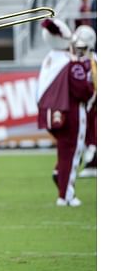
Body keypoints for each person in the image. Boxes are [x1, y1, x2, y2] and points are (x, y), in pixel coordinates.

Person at [36, 19, 94, 206]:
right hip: (73, 113)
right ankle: (66, 195)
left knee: (64, 153)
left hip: (52, 113)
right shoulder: (72, 63)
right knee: (72, 153)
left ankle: (61, 180)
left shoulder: (49, 59)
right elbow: (83, 91)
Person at [70, 25, 96, 178]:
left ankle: (93, 161)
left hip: (92, 102)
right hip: (86, 102)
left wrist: (91, 102)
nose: (79, 50)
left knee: (92, 133)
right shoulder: (81, 61)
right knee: (87, 134)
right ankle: (92, 164)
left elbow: (96, 85)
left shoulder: (93, 61)